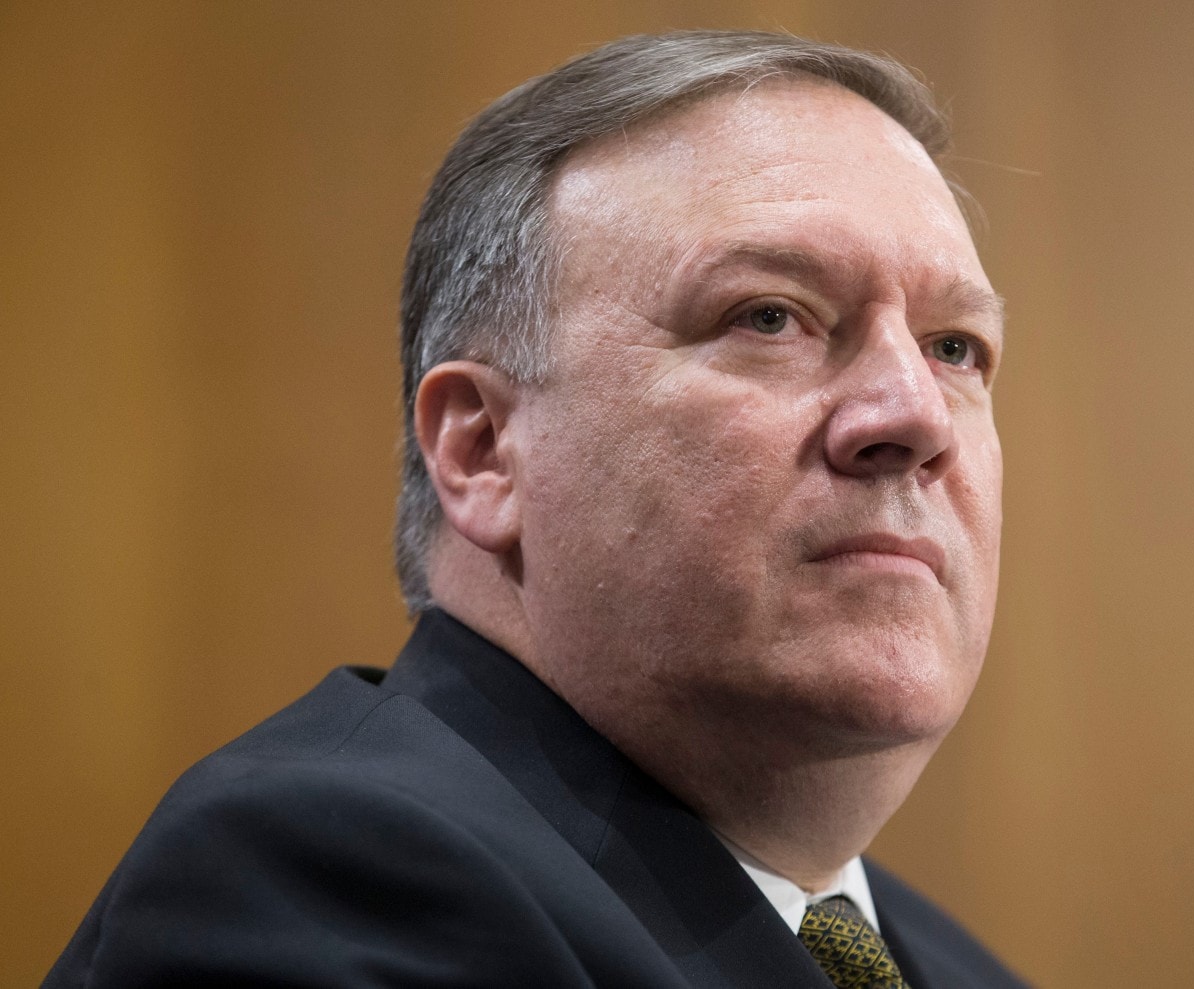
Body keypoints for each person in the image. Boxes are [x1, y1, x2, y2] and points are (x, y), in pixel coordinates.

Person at [46, 30, 1023, 988]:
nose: (915, 415)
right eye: (768, 316)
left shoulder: (954, 967)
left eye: (953, 348)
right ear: (481, 449)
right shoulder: (330, 879)